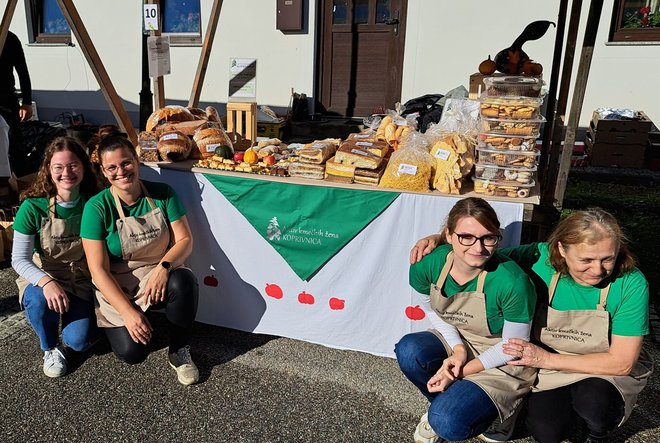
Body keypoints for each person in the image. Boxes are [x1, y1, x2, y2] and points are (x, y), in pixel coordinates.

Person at [410, 208, 652, 443]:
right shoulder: (539, 258)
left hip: (602, 366)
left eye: (608, 258)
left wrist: (544, 359)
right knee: (546, 431)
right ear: (560, 249)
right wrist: (440, 239)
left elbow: (621, 362)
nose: (598, 269)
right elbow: (481, 250)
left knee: (595, 403)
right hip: (550, 368)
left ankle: (598, 434)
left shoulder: (630, 283)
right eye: (586, 260)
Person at [395, 197, 537, 443]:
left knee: (448, 424)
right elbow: (433, 313)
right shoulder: (427, 265)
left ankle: (503, 412)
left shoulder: (512, 282)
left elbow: (513, 347)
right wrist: (459, 350)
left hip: (502, 355)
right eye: (467, 237)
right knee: (409, 350)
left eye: (488, 238)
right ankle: (449, 403)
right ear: (448, 235)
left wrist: (457, 372)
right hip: (458, 337)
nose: (478, 247)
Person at [80, 135, 200, 386]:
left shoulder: (162, 193)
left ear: (136, 161)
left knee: (184, 280)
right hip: (116, 282)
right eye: (112, 167)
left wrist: (163, 268)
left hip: (155, 273)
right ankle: (123, 320)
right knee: (132, 355)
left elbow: (185, 240)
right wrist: (127, 312)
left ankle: (179, 350)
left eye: (126, 163)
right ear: (103, 171)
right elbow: (98, 270)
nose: (121, 171)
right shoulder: (97, 207)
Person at [11, 137, 101, 377]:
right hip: (45, 275)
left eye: (73, 165)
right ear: (48, 170)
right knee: (39, 301)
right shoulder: (33, 207)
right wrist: (46, 282)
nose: (66, 173)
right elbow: (19, 259)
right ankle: (50, 346)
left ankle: (73, 332)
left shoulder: (95, 202)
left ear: (83, 166)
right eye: (58, 167)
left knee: (79, 342)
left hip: (82, 279)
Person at [0, 30, 33, 178]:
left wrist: (26, 102)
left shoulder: (9, 38)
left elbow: (22, 71)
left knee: (15, 145)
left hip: (6, 99)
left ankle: (23, 183)